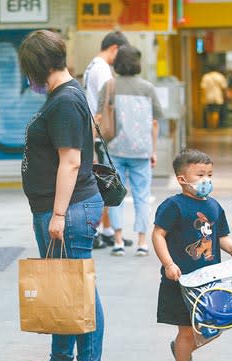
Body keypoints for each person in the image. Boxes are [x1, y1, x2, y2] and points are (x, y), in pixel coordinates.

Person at [17, 30, 105, 361]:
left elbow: (70, 161)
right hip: (60, 207)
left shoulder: (65, 100)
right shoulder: (64, 95)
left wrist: (57, 214)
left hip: (68, 209)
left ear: (37, 66)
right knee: (61, 285)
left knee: (80, 288)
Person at [152, 149, 232, 361]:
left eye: (210, 174)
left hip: (209, 280)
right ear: (183, 179)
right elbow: (158, 235)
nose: (207, 180)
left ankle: (182, 348)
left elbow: (221, 235)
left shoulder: (214, 206)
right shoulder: (173, 206)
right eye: (200, 174)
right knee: (186, 329)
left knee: (215, 327)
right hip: (181, 281)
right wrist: (169, 263)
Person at [97, 45, 163, 257]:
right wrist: (153, 150)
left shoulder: (109, 86)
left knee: (115, 194)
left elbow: (99, 117)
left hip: (114, 149)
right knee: (142, 195)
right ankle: (142, 242)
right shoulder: (148, 88)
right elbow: (154, 122)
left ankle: (118, 241)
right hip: (142, 151)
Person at [83, 30, 130, 249]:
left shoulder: (93, 65)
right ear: (114, 48)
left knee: (104, 182)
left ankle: (107, 231)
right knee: (104, 183)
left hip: (95, 131)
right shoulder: (102, 69)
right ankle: (97, 232)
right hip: (101, 133)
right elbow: (107, 104)